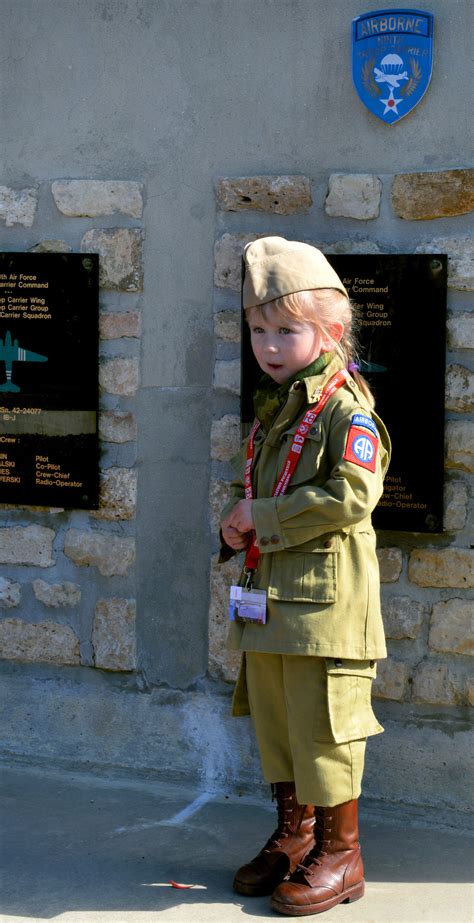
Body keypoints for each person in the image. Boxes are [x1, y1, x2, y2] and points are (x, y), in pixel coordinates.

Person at [219, 237, 391, 917]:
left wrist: (262, 512)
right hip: (274, 601)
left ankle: (342, 854)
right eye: (258, 329)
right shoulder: (280, 404)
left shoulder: (344, 411)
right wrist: (242, 524)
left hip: (324, 609)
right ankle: (296, 837)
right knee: (280, 727)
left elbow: (353, 495)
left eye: (285, 329)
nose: (267, 343)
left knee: (325, 731)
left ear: (332, 331)